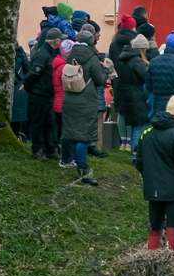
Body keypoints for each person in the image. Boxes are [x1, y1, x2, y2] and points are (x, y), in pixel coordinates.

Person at [134, 94, 174, 251]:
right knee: (172, 224)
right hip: (173, 189)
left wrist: (148, 175)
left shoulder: (146, 132)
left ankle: (151, 254)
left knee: (155, 225)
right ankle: (172, 256)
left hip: (152, 188)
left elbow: (139, 161)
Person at [61, 29, 110, 185]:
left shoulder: (70, 55)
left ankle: (66, 159)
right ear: (91, 42)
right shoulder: (92, 58)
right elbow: (100, 80)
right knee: (83, 136)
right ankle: (82, 168)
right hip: (86, 100)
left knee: (70, 131)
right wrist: (105, 70)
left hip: (69, 98)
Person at [24, 27, 62, 159]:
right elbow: (34, 74)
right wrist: (29, 87)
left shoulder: (48, 53)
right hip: (39, 94)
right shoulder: (43, 55)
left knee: (49, 123)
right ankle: (38, 149)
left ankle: (50, 149)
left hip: (46, 94)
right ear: (56, 41)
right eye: (60, 40)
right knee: (38, 123)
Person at [115, 33, 150, 152]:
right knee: (138, 124)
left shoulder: (122, 59)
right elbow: (145, 77)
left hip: (123, 92)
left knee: (125, 118)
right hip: (135, 94)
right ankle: (134, 150)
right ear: (142, 49)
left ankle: (125, 143)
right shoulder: (137, 61)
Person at [52, 37, 75, 162]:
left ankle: (57, 151)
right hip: (64, 102)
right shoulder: (65, 67)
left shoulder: (56, 63)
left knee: (58, 128)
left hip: (56, 100)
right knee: (65, 131)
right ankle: (65, 156)